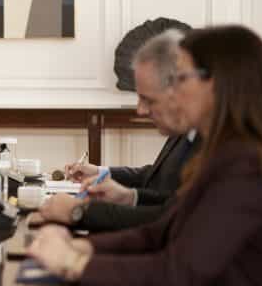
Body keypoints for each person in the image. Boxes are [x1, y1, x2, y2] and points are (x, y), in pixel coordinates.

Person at [28, 26, 262, 286]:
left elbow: (177, 272)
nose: (172, 92)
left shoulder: (247, 164)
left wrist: (73, 263)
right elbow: (159, 232)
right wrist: (84, 246)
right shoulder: (223, 154)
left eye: (181, 79)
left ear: (218, 85)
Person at [35, 30, 199, 231]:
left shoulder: (215, 142)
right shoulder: (187, 130)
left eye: (148, 100)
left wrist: (78, 212)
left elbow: (171, 218)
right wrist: (123, 192)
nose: (140, 110)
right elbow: (159, 179)